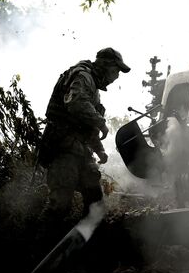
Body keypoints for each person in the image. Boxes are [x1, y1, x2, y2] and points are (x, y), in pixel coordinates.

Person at [38, 47, 131, 225]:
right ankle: (40, 247)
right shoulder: (83, 76)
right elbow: (76, 103)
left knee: (95, 203)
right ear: (106, 66)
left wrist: (100, 150)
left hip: (80, 150)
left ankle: (87, 244)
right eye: (116, 70)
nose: (116, 76)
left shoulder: (93, 85)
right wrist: (101, 122)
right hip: (63, 149)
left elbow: (86, 125)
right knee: (60, 205)